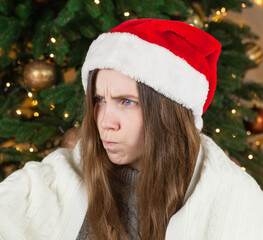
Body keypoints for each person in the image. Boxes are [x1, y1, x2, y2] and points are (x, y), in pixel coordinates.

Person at [0, 19, 262, 240]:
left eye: (126, 102)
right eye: (99, 100)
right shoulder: (52, 180)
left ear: (167, 113)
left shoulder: (235, 199)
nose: (105, 122)